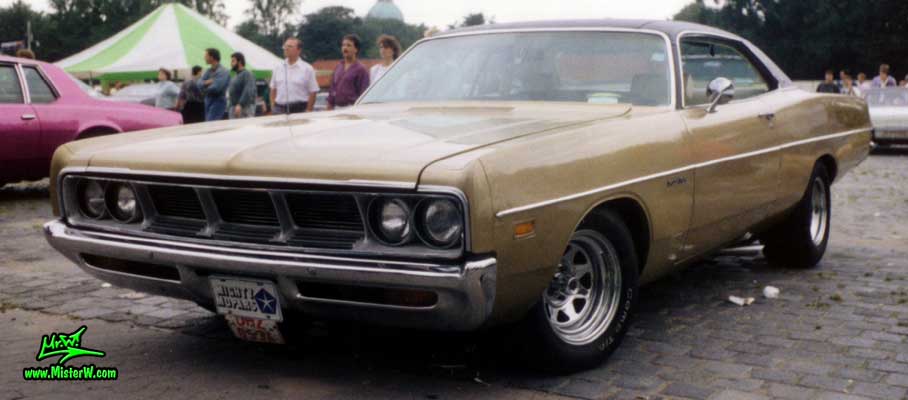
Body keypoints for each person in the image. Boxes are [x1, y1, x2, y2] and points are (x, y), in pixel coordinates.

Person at [270, 37, 319, 114]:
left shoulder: (307, 69)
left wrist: (308, 110)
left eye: (290, 46)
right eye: (285, 46)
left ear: (299, 50)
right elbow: (273, 89)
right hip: (279, 109)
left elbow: (313, 91)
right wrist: (273, 107)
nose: (286, 48)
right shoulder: (277, 68)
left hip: (300, 109)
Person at [327, 34, 370, 110]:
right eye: (343, 45)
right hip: (336, 108)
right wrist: (328, 109)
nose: (345, 48)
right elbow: (332, 90)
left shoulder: (361, 70)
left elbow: (364, 94)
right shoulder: (338, 67)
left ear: (356, 49)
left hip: (352, 109)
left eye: (348, 45)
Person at [198, 48, 230, 121]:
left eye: (206, 56)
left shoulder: (223, 71)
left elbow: (216, 88)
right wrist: (206, 82)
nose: (204, 58)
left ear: (212, 57)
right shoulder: (208, 71)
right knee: (208, 123)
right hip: (208, 100)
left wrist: (203, 87)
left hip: (218, 101)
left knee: (211, 123)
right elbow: (198, 84)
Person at [228, 52, 256, 119]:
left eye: (233, 61)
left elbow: (248, 90)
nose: (231, 64)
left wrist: (240, 104)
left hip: (244, 108)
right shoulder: (236, 76)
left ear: (239, 62)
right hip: (234, 108)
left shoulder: (247, 74)